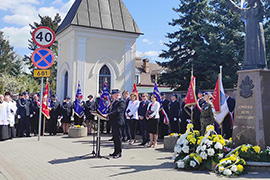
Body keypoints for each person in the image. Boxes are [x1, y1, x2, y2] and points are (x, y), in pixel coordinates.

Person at [227, 0, 266, 69]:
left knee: (257, 45)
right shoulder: (246, 11)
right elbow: (235, 7)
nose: (249, 1)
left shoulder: (258, 9)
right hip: (249, 31)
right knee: (249, 47)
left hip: (256, 30)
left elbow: (261, 5)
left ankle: (259, 63)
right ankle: (248, 64)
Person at [104, 89, 125, 159]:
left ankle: (119, 152)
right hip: (114, 122)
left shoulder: (121, 101)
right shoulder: (114, 102)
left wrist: (109, 114)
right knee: (115, 138)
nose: (111, 96)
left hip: (118, 122)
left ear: (117, 95)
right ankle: (115, 151)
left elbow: (118, 111)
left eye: (112, 95)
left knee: (118, 138)